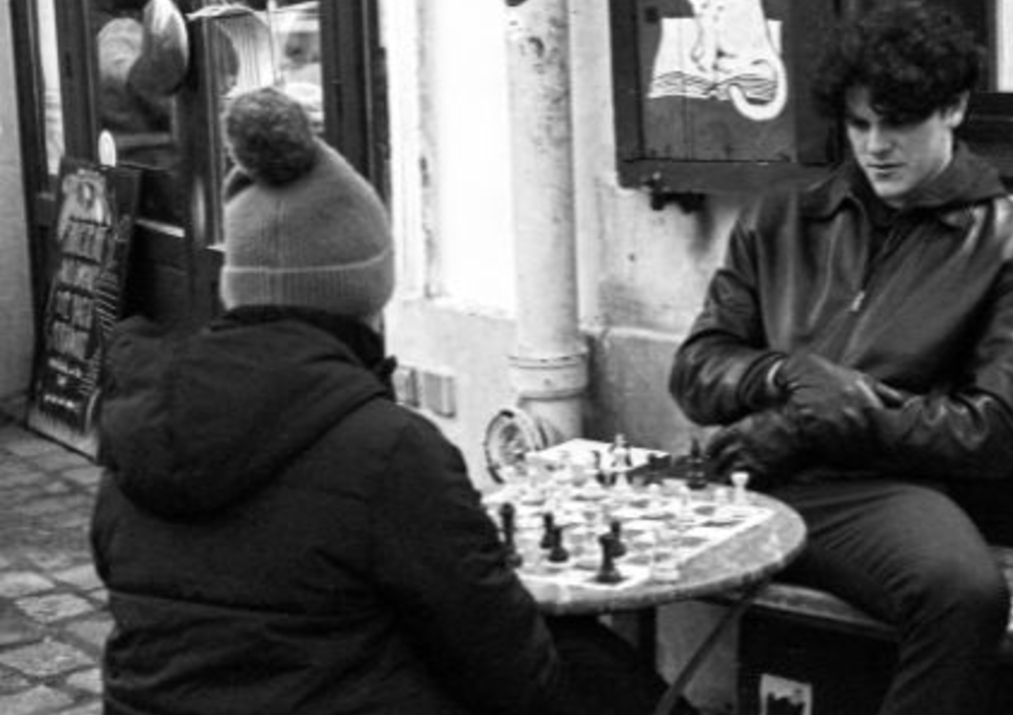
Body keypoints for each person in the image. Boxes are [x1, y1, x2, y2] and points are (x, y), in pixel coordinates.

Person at [91, 87, 695, 715]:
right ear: (366, 291)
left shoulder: (137, 424)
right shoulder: (389, 450)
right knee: (602, 676)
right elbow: (510, 673)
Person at [669, 1, 1013, 715]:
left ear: (954, 108)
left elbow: (991, 433)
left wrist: (835, 415)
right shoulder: (782, 217)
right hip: (742, 471)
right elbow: (697, 369)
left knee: (964, 594)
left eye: (898, 122)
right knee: (560, 562)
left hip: (873, 492)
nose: (876, 145)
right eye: (858, 124)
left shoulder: (1010, 248)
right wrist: (783, 374)